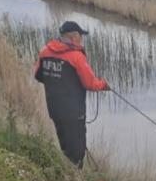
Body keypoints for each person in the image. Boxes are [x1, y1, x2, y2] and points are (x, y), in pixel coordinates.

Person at [33, 21, 109, 167]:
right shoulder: (76, 56)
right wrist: (104, 85)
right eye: (81, 36)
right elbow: (90, 84)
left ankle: (66, 171)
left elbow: (38, 75)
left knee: (64, 144)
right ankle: (75, 176)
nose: (82, 39)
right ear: (73, 37)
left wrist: (57, 82)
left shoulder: (45, 52)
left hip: (54, 109)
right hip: (73, 112)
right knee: (77, 151)